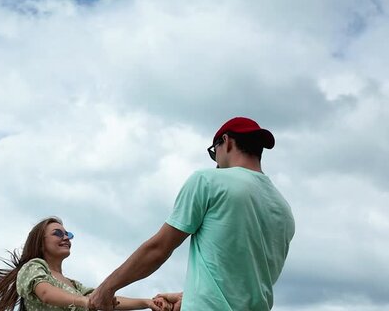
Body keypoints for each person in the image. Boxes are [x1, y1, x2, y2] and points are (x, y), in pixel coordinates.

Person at [89, 117, 295, 311]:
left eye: (215, 152)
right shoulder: (283, 210)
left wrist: (106, 288)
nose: (216, 162)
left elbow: (159, 249)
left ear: (227, 142)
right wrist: (191, 297)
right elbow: (246, 278)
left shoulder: (208, 180)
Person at [0, 216, 172, 311]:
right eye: (58, 234)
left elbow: (106, 300)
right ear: (40, 242)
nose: (66, 238)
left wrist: (147, 302)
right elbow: (45, 293)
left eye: (68, 234)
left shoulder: (74, 285)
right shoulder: (34, 268)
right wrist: (83, 302)